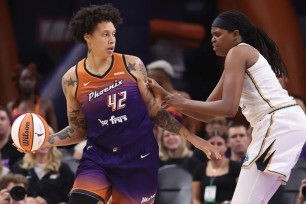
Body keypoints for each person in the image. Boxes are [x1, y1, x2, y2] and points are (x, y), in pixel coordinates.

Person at [13, 4, 220, 204]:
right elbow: (78, 130)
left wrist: (194, 139)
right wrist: (44, 141)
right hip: (98, 158)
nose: (112, 40)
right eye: (105, 34)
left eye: (113, 34)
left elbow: (155, 112)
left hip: (138, 159)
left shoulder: (132, 65)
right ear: (88, 37)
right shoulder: (72, 79)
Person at [148, 9, 306, 204]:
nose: (212, 39)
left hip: (277, 122)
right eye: (212, 35)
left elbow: (229, 109)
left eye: (218, 34)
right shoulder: (236, 59)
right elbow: (206, 112)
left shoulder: (238, 51)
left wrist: (179, 101)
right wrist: (170, 98)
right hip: (285, 123)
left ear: (236, 34)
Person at [193, 130, 240, 204]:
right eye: (211, 144)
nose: (215, 147)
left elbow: (241, 195)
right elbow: (195, 199)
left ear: (226, 146)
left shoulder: (236, 167)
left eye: (219, 144)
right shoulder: (199, 169)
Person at [6, 63, 58, 131]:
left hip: (43, 141)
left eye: (31, 79)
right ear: (18, 81)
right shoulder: (11, 106)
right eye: (24, 79)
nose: (27, 82)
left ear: (36, 81)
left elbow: (55, 132)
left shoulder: (46, 104)